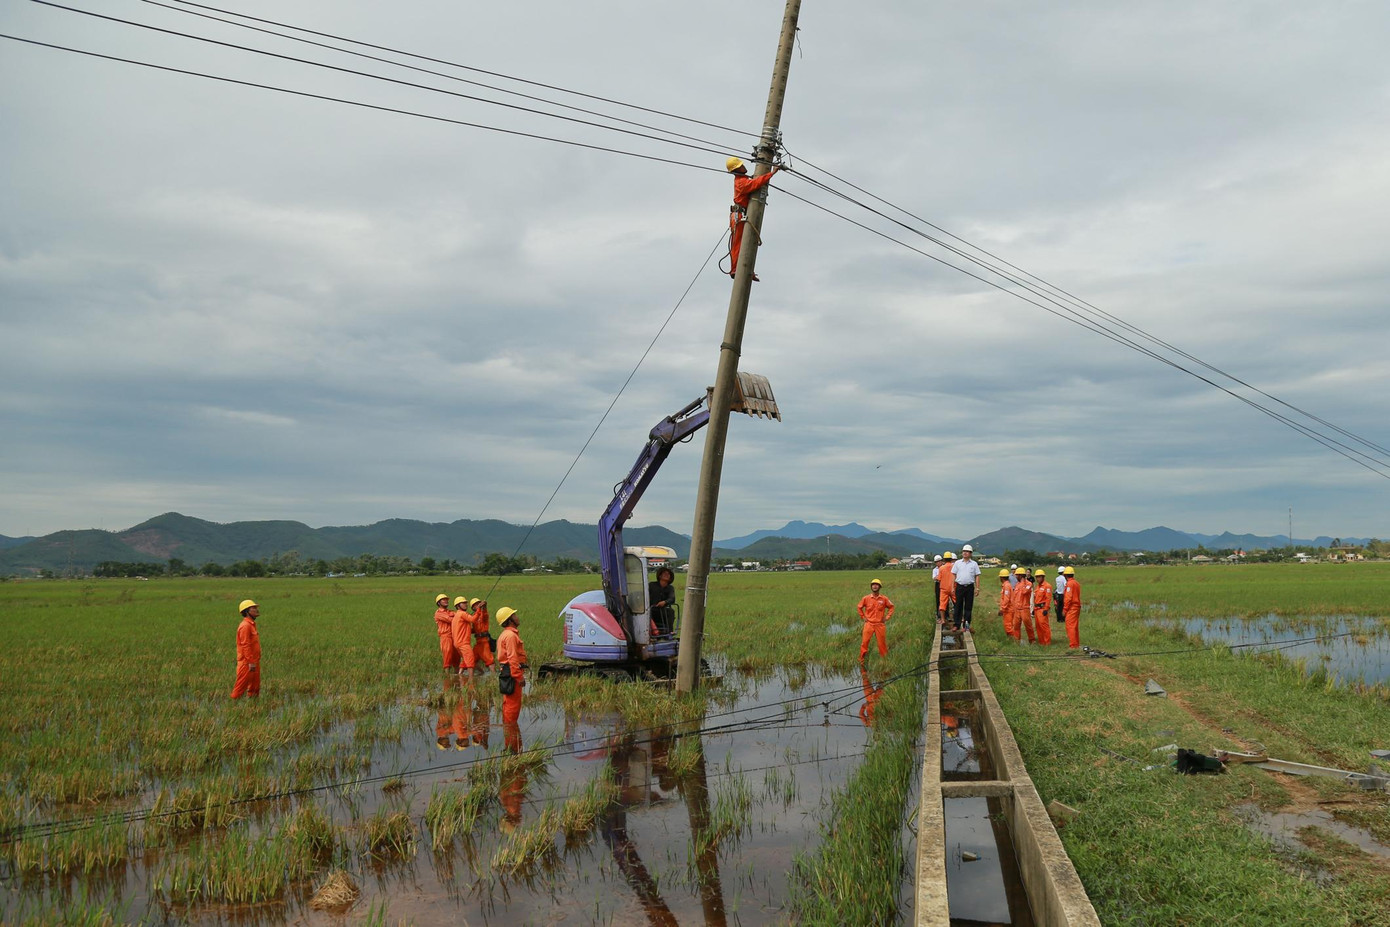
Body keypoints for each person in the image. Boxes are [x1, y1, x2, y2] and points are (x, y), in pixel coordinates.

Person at [726, 156, 781, 280]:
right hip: (739, 215)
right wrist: (772, 173)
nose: (743, 166)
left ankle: (746, 270)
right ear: (737, 169)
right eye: (740, 166)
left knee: (747, 242)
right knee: (739, 244)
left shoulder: (743, 179)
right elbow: (755, 184)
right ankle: (736, 269)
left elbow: (753, 182)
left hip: (743, 214)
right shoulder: (741, 182)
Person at [495, 606, 529, 733]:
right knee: (512, 706)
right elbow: (512, 658)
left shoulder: (507, 634)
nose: (517, 617)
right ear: (510, 620)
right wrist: (518, 676)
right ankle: (512, 738)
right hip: (511, 672)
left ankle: (509, 734)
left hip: (508, 671)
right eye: (514, 615)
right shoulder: (510, 636)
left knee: (508, 703)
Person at [857, 578, 895, 660]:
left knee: (882, 644)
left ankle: (884, 659)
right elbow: (859, 607)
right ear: (871, 587)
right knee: (864, 643)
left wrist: (887, 617)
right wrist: (863, 617)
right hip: (869, 624)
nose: (874, 586)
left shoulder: (884, 599)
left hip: (880, 625)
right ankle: (862, 659)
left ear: (880, 587)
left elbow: (891, 607)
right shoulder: (866, 598)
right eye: (873, 584)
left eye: (876, 585)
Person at [230, 599, 261, 699]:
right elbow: (245, 645)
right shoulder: (245, 626)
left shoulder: (251, 625)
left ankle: (253, 708)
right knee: (240, 688)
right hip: (246, 663)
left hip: (254, 661)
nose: (256, 610)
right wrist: (250, 662)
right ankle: (232, 707)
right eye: (253, 608)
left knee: (255, 688)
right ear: (247, 611)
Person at [951, 544, 982, 631]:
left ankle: (966, 625)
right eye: (964, 551)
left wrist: (977, 588)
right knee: (958, 606)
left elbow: (977, 576)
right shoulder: (957, 563)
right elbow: (953, 575)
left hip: (969, 587)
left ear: (970, 553)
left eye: (967, 552)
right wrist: (952, 587)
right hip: (959, 587)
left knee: (968, 607)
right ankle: (956, 624)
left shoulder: (974, 564)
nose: (965, 553)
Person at [433, 594, 460, 672]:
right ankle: (447, 676)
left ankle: (457, 675)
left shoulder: (450, 611)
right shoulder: (438, 613)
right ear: (439, 603)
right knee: (447, 655)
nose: (446, 601)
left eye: (446, 599)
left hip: (454, 636)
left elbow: (458, 615)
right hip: (445, 637)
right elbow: (450, 619)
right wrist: (458, 617)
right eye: (443, 600)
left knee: (456, 657)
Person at [649, 567, 677, 636]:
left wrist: (665, 602)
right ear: (660, 576)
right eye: (664, 573)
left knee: (671, 611)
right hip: (651, 609)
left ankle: (669, 632)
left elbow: (672, 598)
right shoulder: (651, 585)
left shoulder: (670, 588)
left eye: (668, 574)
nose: (666, 575)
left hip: (662, 610)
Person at [451, 596, 476, 675]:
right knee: (470, 659)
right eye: (463, 603)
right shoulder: (462, 614)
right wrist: (478, 610)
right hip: (463, 643)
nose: (466, 604)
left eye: (466, 603)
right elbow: (473, 619)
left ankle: (459, 675)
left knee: (465, 659)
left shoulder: (457, 615)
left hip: (457, 643)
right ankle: (471, 680)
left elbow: (464, 629)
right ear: (458, 606)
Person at [469, 598, 495, 672]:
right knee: (472, 660)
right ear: (473, 608)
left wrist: (484, 607)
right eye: (475, 605)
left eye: (478, 603)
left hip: (484, 641)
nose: (477, 605)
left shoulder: (483, 613)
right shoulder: (474, 617)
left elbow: (485, 615)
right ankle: (481, 673)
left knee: (489, 660)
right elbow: (474, 630)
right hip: (478, 642)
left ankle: (494, 676)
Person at [1010, 567, 1035, 644]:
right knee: (1016, 626)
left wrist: (1023, 581)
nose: (1016, 577)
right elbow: (1014, 596)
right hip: (1017, 609)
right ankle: (1017, 640)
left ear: (1021, 575)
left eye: (1017, 575)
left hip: (1025, 609)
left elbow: (1024, 591)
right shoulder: (1017, 585)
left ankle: (1032, 640)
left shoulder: (1028, 584)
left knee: (1028, 626)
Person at [1031, 569, 1053, 646]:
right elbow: (1035, 599)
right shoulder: (1037, 587)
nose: (1038, 579)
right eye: (1037, 577)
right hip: (1037, 609)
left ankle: (1047, 642)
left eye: (1039, 577)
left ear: (1043, 577)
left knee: (1044, 626)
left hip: (1042, 609)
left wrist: (1046, 609)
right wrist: (1033, 609)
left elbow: (1048, 598)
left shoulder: (1047, 586)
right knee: (1038, 627)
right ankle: (1041, 642)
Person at [1062, 566, 1082, 648]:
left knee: (1070, 626)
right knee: (1075, 626)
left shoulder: (1069, 584)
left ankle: (1073, 645)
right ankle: (1076, 643)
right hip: (1077, 607)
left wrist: (1065, 609)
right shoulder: (1076, 583)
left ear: (1066, 575)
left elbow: (1068, 598)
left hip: (1072, 607)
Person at [937, 552, 957, 625]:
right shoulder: (955, 567)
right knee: (956, 603)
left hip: (944, 589)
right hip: (953, 588)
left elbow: (939, 579)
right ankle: (959, 618)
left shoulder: (941, 568)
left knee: (942, 604)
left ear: (944, 559)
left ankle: (942, 620)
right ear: (951, 559)